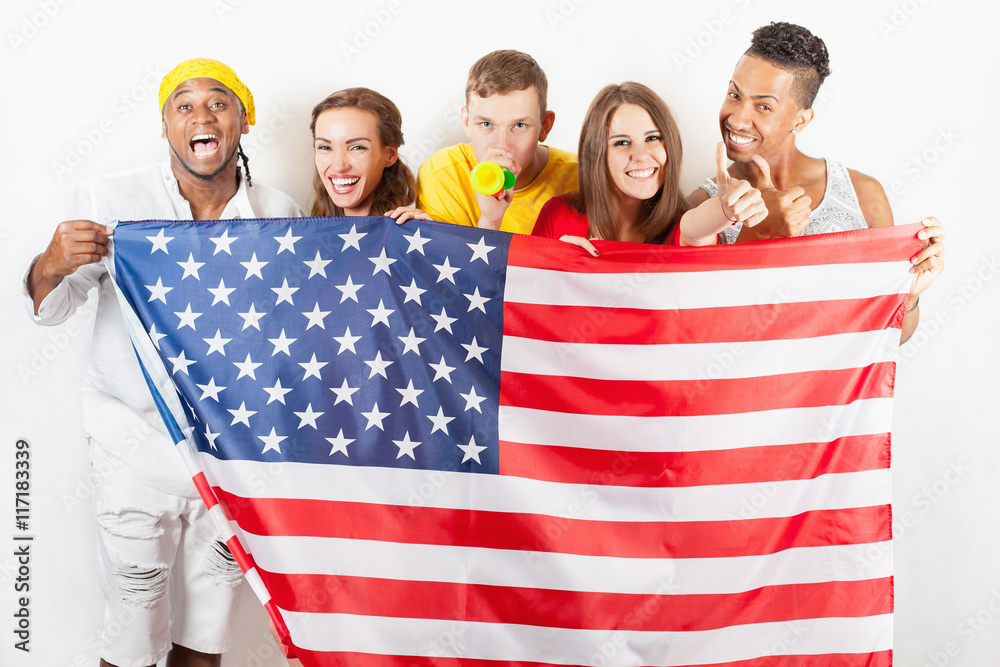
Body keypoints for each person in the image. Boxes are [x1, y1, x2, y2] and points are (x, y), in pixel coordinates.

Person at [23, 58, 303, 667]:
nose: (201, 115)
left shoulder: (279, 211)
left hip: (230, 451)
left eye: (218, 102)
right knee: (133, 616)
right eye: (183, 104)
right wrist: (51, 262)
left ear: (244, 120)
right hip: (132, 440)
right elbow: (51, 310)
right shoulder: (110, 200)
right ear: (165, 126)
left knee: (210, 623)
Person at [687, 21, 944, 343]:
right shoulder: (701, 209)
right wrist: (756, 235)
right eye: (734, 95)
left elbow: (890, 336)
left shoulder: (863, 195)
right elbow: (697, 330)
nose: (737, 119)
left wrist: (910, 293)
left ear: (801, 119)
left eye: (763, 106)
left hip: (833, 394)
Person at [532, 82, 766, 250]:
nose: (641, 156)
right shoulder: (558, 215)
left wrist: (726, 209)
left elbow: (695, 229)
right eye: (622, 142)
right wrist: (556, 269)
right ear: (597, 154)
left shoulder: (679, 228)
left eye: (653, 138)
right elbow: (527, 304)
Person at [415, 49, 579, 234]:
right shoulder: (442, 174)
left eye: (519, 125)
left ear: (545, 126)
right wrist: (490, 220)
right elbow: (455, 262)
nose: (502, 145)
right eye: (486, 124)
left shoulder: (584, 179)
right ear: (467, 122)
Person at [310, 87, 429, 224]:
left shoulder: (416, 234)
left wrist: (436, 237)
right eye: (325, 147)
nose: (338, 166)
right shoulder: (306, 232)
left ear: (390, 154)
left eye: (357, 147)